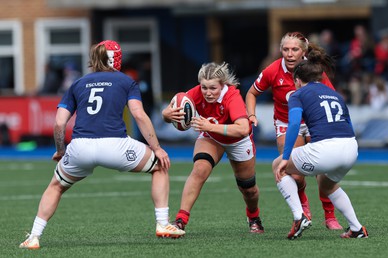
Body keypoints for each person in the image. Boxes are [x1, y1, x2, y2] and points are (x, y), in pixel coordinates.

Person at [19, 40, 185, 250]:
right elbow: (138, 115)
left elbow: (59, 123)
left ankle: (33, 236)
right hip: (115, 145)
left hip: (80, 147)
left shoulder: (78, 83)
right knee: (160, 166)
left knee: (56, 186)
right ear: (117, 59)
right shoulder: (126, 81)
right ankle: (162, 224)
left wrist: (61, 151)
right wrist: (157, 148)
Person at [245, 31, 342, 230]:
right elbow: (252, 93)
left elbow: (331, 96)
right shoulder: (273, 70)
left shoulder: (314, 70)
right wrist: (251, 114)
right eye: (285, 49)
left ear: (303, 51)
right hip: (286, 123)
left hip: (315, 123)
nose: (289, 54)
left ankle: (330, 216)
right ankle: (303, 207)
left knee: (323, 171)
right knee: (294, 173)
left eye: (294, 49)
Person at [272, 48, 368, 240]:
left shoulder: (297, 95)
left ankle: (299, 216)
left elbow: (293, 125)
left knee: (278, 167)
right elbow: (348, 125)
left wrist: (285, 157)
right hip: (351, 148)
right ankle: (357, 228)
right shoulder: (336, 94)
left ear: (298, 80)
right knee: (327, 184)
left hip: (326, 149)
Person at [162, 62, 264, 233]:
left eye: (213, 88)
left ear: (222, 85)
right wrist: (166, 115)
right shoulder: (195, 94)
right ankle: (180, 220)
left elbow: (243, 128)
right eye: (204, 87)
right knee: (199, 170)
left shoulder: (232, 96)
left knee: (249, 189)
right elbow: (171, 113)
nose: (208, 93)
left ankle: (254, 216)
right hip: (211, 137)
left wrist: (210, 127)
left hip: (237, 140)